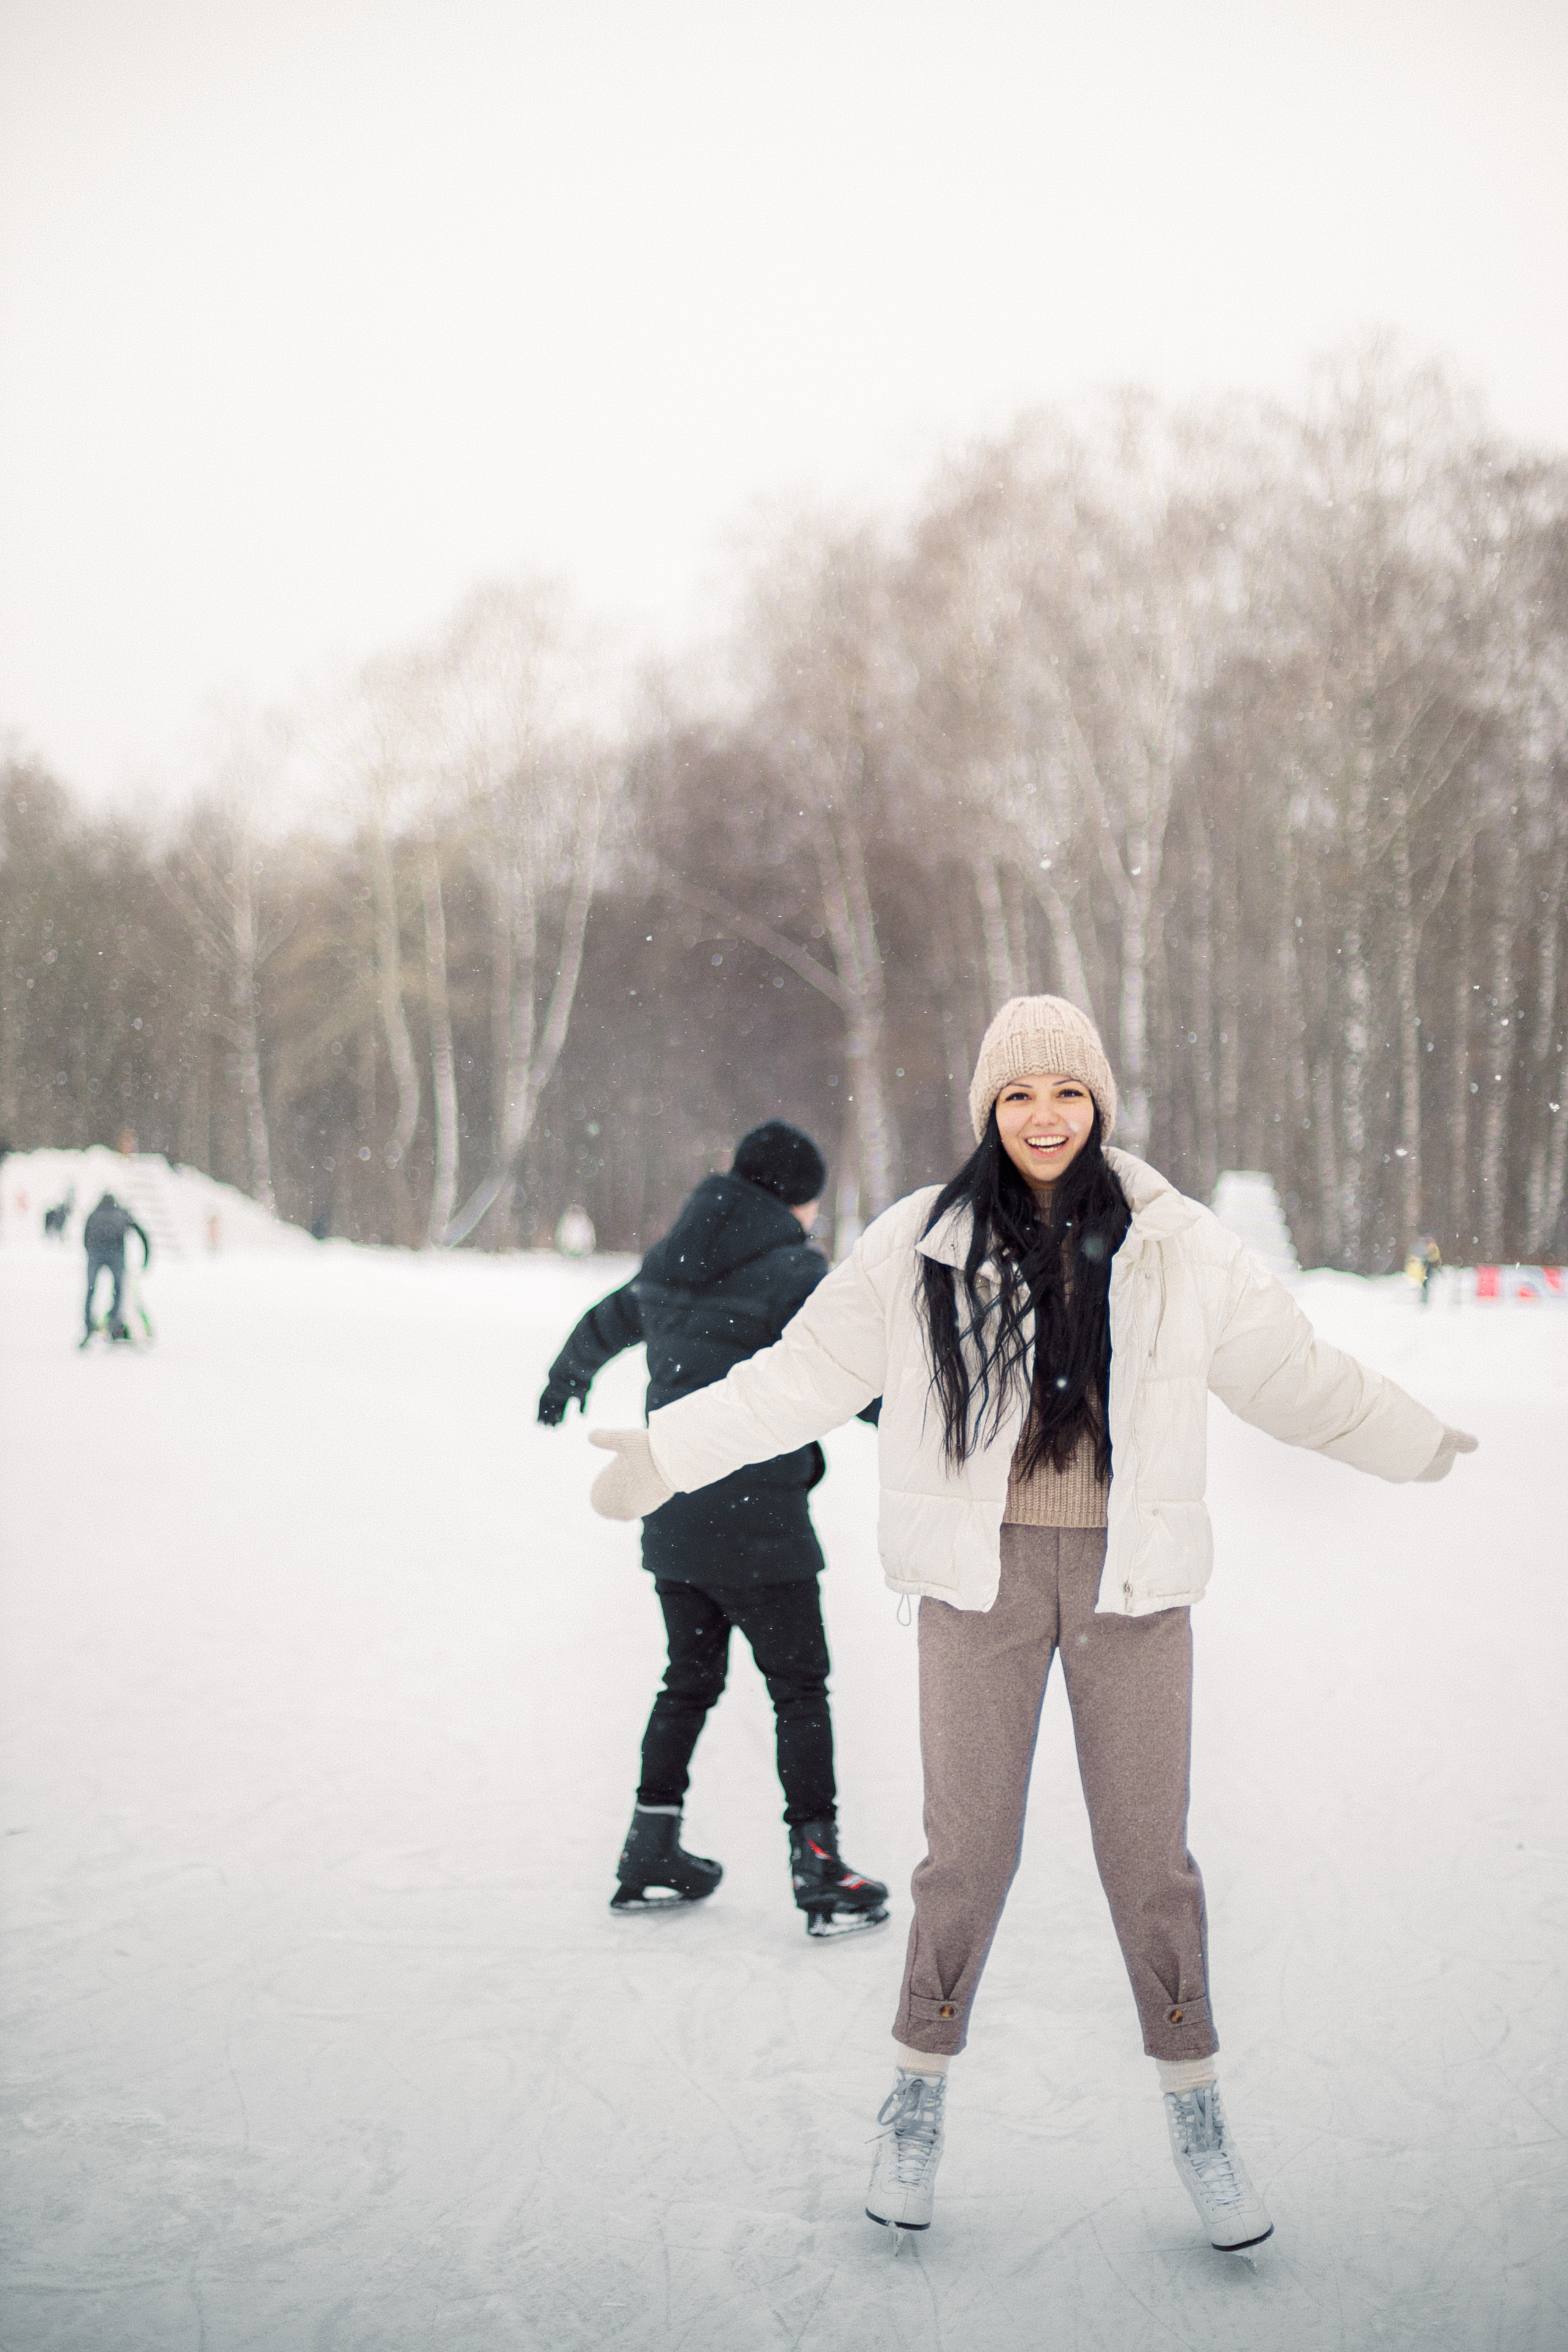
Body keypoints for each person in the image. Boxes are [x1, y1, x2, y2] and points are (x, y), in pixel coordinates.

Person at [585, 999, 1479, 2253]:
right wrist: (669, 1452)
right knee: (967, 1858)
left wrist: (1401, 1436)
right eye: (1016, 1096)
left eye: (1064, 1092)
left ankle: (1196, 2114)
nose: (1042, 1116)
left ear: (1097, 1103)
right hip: (977, 1584)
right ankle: (913, 2099)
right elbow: (801, 1378)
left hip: (1132, 1586)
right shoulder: (920, 1244)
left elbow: (1291, 1371)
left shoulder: (1175, 1244)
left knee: (1145, 1862)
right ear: (986, 1111)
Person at [539, 1120, 888, 1939]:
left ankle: (650, 1846)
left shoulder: (674, 1255)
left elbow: (611, 1318)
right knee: (799, 1690)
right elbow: (844, 1375)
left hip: (673, 1511)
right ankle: (818, 1862)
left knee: (687, 1681)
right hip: (760, 1522)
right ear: (798, 1199)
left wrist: (567, 1374)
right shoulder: (797, 1273)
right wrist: (925, 1424)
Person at [80, 1192, 151, 1347]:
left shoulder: (93, 1214)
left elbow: (84, 1237)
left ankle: (89, 1325)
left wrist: (91, 1252)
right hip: (116, 1255)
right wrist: (146, 1259)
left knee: (91, 1291)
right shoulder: (121, 1213)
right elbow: (142, 1233)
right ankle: (113, 1321)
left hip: (95, 1254)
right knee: (118, 1289)